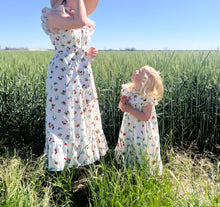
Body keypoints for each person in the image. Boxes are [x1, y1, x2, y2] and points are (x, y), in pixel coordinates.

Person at [41, 0, 108, 171]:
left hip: (82, 70)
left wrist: (88, 53)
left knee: (82, 112)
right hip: (63, 70)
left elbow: (77, 45)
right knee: (63, 115)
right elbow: (79, 23)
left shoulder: (75, 15)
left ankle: (81, 162)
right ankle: (61, 166)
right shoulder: (54, 14)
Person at [115, 65, 163, 175]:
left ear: (144, 80)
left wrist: (130, 109)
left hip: (142, 131)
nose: (136, 70)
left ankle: (143, 172)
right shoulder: (129, 90)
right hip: (129, 128)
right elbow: (122, 108)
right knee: (129, 144)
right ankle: (129, 169)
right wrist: (123, 103)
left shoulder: (147, 97)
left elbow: (146, 117)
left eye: (140, 71)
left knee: (141, 147)